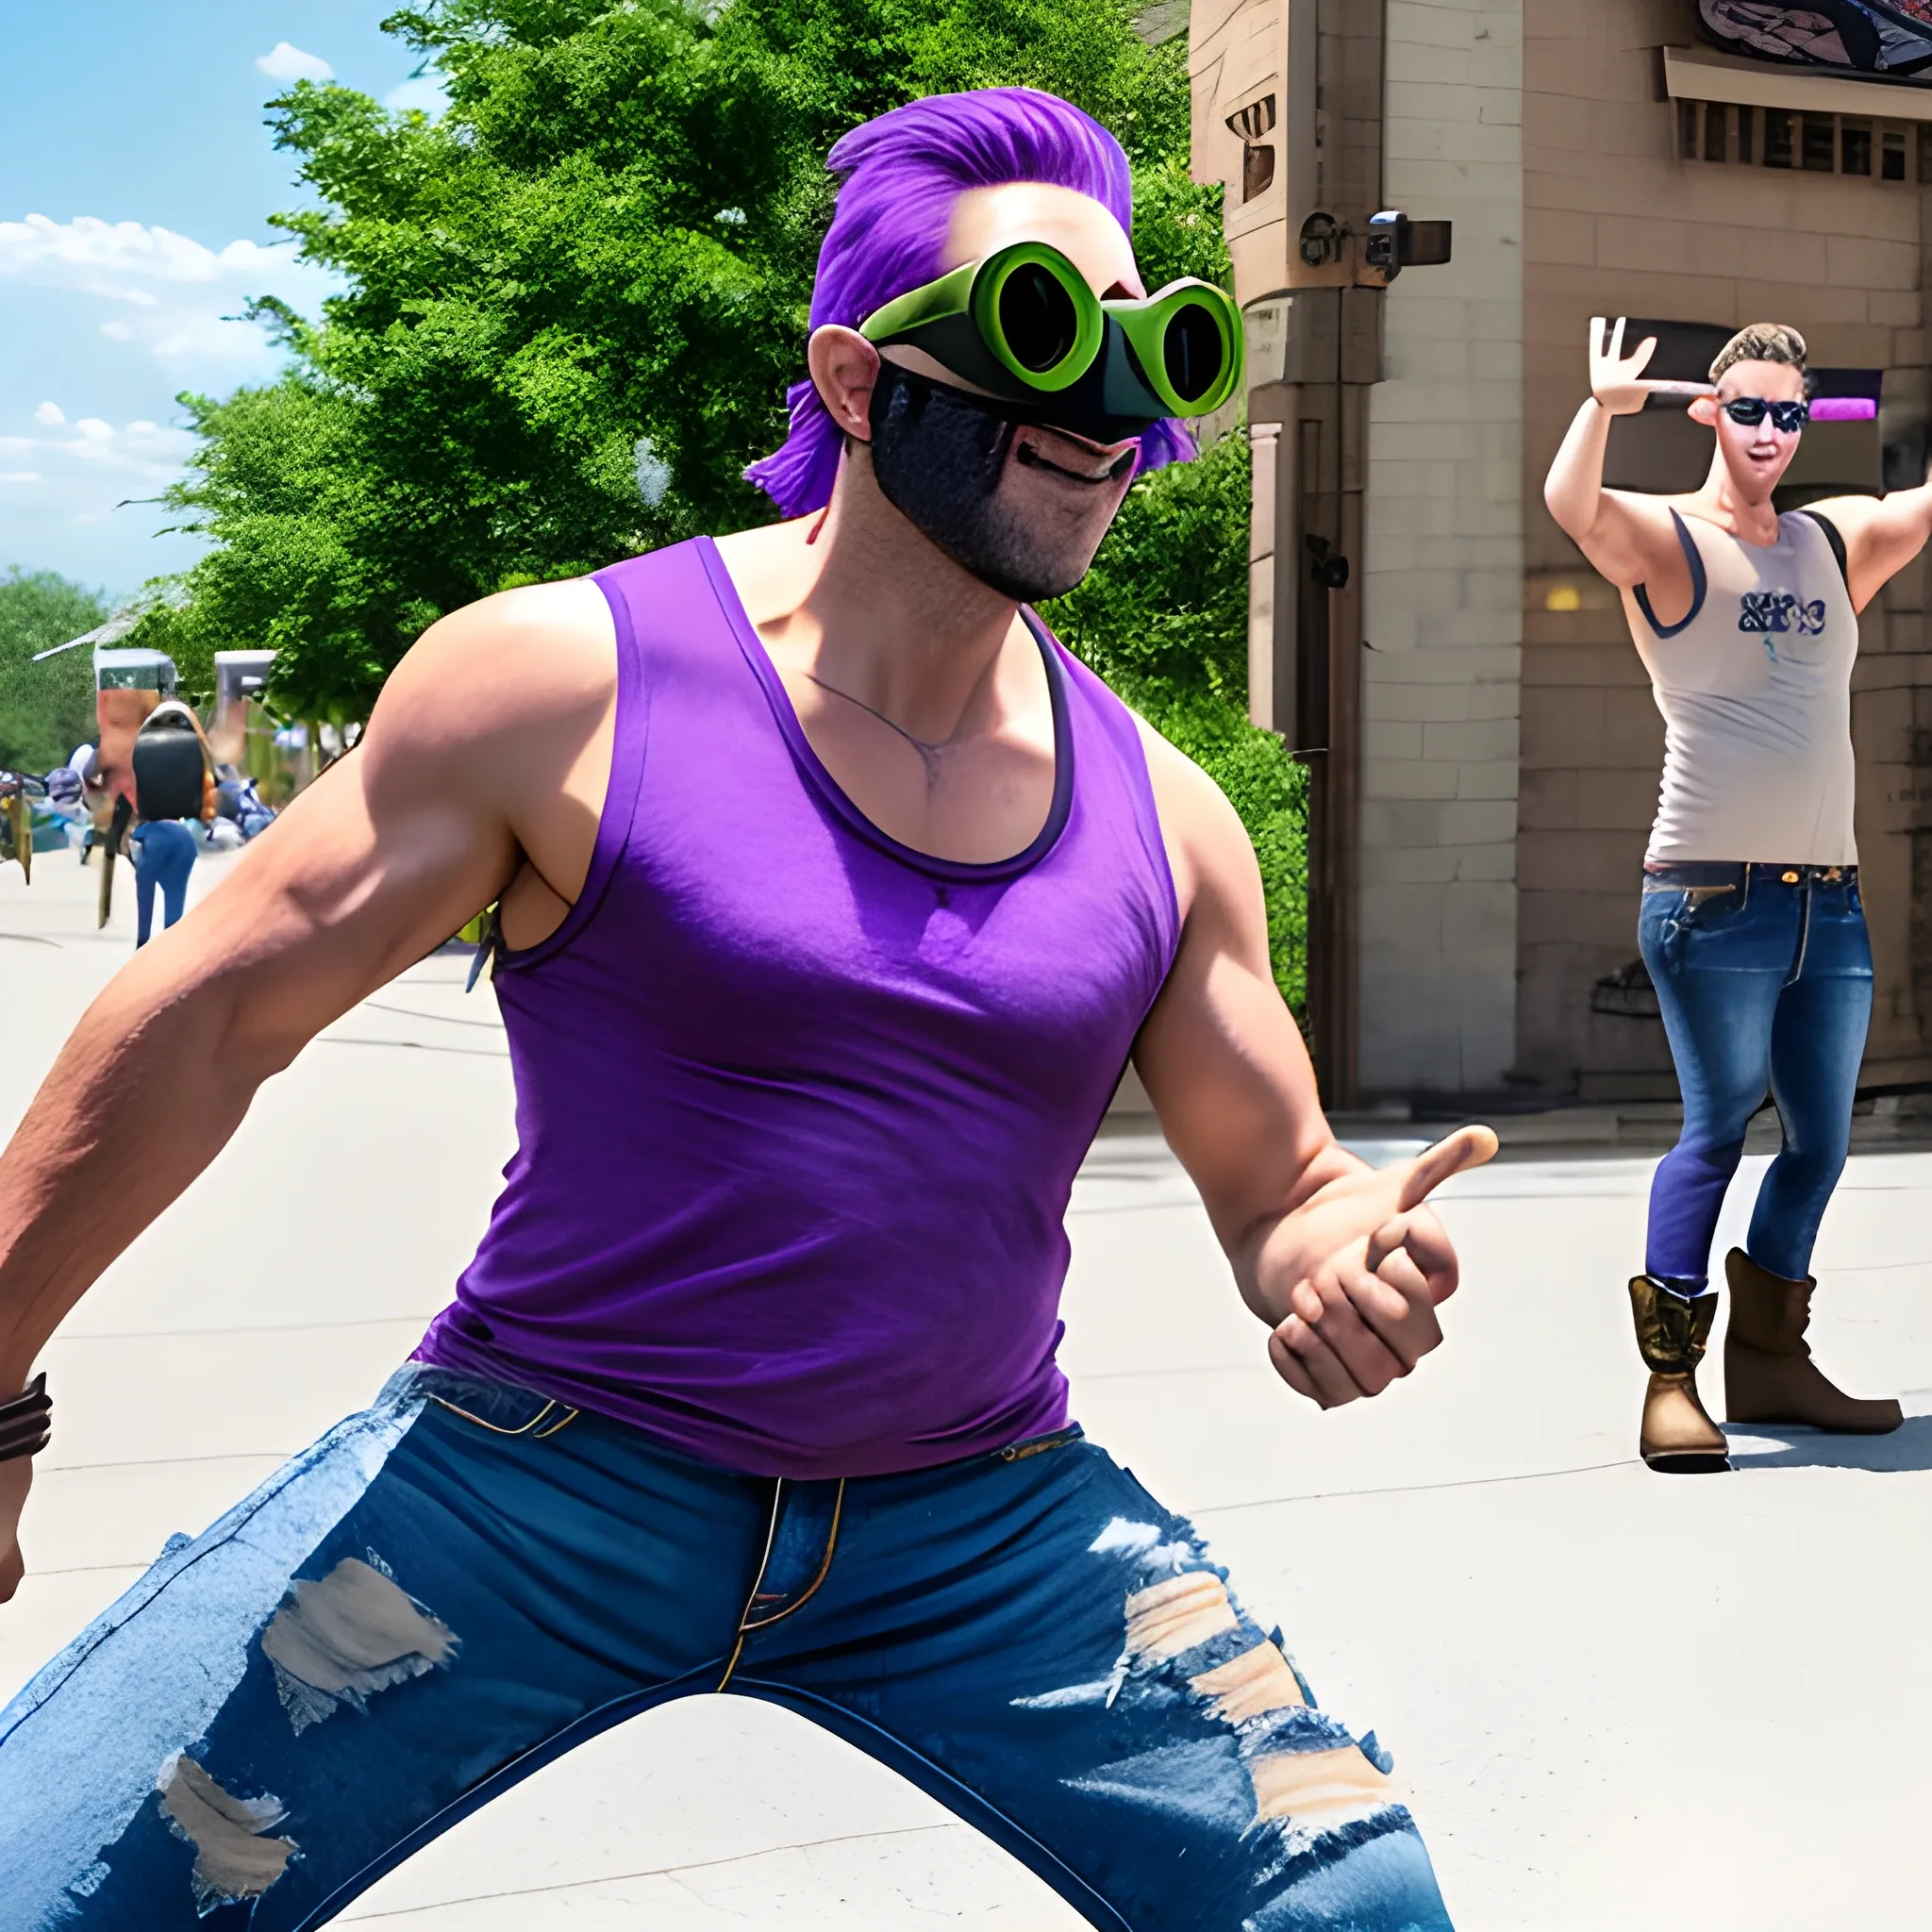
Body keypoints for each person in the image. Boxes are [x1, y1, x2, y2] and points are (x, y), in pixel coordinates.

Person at [0, 91, 1494, 1928]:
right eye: (1043, 332)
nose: (1107, 407)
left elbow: (1283, 1183)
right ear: (858, 384)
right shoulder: (559, 685)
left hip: (980, 1523)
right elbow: (203, 1017)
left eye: (1147, 343)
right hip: (537, 1487)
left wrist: (1343, 1251)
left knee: (1353, 1907)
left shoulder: (1164, 817)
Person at [1544, 317, 1929, 1474]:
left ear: (1804, 424)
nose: (1767, 429)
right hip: (1709, 894)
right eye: (1747, 408)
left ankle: (1769, 1360)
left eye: (1787, 413)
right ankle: (1672, 1379)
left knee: (1816, 1144)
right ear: (1711, 413)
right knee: (1716, 1128)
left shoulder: (1831, 541)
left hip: (1830, 900)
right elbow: (1573, 505)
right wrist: (1602, 409)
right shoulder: (1667, 542)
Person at [127, 816, 201, 946]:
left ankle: (143, 941)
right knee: (175, 892)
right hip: (187, 845)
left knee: (145, 891)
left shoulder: (139, 832)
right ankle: (170, 939)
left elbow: (136, 855)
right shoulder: (157, 827)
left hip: (158, 846)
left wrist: (141, 939)